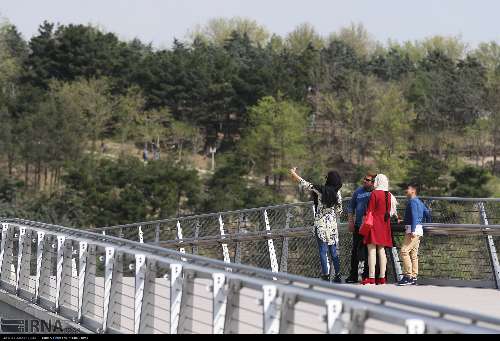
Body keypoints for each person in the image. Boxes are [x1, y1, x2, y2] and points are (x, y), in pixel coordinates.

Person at [290, 167, 343, 283]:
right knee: (333, 251)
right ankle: (338, 275)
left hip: (320, 224)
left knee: (322, 250)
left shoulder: (321, 190)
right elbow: (339, 210)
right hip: (332, 224)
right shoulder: (337, 193)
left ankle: (326, 275)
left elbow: (305, 184)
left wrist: (294, 174)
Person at [360, 174, 398, 285]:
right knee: (382, 251)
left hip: (374, 225)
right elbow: (391, 212)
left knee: (371, 251)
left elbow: (370, 211)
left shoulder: (374, 194)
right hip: (385, 225)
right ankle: (382, 278)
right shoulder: (389, 195)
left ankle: (371, 278)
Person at [398, 183, 431, 286]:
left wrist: (412, 229)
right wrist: (426, 224)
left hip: (412, 230)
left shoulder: (412, 202)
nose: (405, 191)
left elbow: (414, 216)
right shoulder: (419, 202)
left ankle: (408, 276)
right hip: (418, 230)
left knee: (404, 251)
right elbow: (427, 213)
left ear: (413, 190)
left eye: (407, 189)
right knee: (413, 254)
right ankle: (414, 276)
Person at [346, 173, 376, 284]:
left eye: (367, 180)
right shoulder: (358, 191)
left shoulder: (376, 192)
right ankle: (353, 275)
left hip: (371, 227)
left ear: (373, 182)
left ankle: (367, 276)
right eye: (364, 179)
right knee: (355, 251)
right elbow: (350, 207)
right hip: (359, 226)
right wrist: (350, 222)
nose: (364, 181)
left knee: (370, 252)